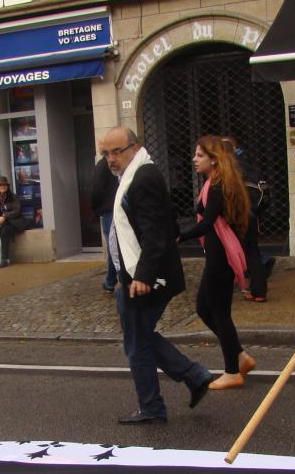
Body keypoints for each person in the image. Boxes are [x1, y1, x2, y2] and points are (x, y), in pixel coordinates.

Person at [103, 126, 212, 424]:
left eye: (116, 151)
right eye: (105, 153)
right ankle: (193, 376)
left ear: (134, 147)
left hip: (144, 277)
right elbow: (165, 218)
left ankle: (154, 405)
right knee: (139, 338)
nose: (110, 158)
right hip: (136, 274)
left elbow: (154, 231)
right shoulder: (134, 174)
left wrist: (144, 275)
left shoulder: (143, 176)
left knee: (137, 343)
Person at [178, 136, 257, 390]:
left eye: (200, 155)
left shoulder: (217, 186)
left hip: (220, 255)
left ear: (214, 159)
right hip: (216, 253)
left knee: (219, 312)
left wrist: (179, 235)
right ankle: (239, 356)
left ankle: (233, 371)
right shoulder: (216, 183)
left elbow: (207, 222)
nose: (194, 159)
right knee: (204, 307)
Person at [225, 136, 274, 302]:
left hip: (235, 215)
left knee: (233, 252)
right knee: (252, 252)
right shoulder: (247, 165)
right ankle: (259, 291)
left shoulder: (227, 170)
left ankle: (241, 285)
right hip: (251, 213)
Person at [89, 153, 118, 293]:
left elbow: (96, 189)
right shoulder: (114, 163)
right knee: (115, 245)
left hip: (109, 210)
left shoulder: (103, 165)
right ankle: (113, 279)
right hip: (114, 208)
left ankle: (112, 280)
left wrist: (95, 209)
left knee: (113, 246)